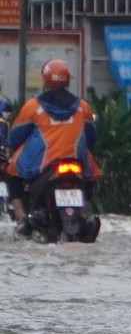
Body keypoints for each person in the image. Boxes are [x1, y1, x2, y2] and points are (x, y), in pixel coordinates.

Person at [7, 60, 96, 230]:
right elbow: (91, 137)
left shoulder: (33, 106)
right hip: (76, 162)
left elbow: (15, 136)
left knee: (11, 172)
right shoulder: (82, 107)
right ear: (67, 81)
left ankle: (21, 217)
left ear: (45, 81)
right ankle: (85, 210)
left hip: (42, 166)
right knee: (91, 172)